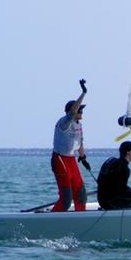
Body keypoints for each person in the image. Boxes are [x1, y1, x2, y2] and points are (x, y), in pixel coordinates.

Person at [50, 79, 89, 212]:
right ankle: (53, 218)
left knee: (81, 194)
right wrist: (83, 93)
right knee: (67, 198)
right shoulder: (64, 122)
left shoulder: (79, 125)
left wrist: (83, 158)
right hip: (60, 159)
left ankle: (81, 218)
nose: (81, 113)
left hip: (71, 160)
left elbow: (80, 143)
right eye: (80, 110)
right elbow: (72, 113)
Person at [97, 141, 131, 210]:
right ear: (128, 153)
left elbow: (116, 185)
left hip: (101, 200)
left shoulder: (111, 161)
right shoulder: (124, 168)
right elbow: (121, 191)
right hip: (111, 203)